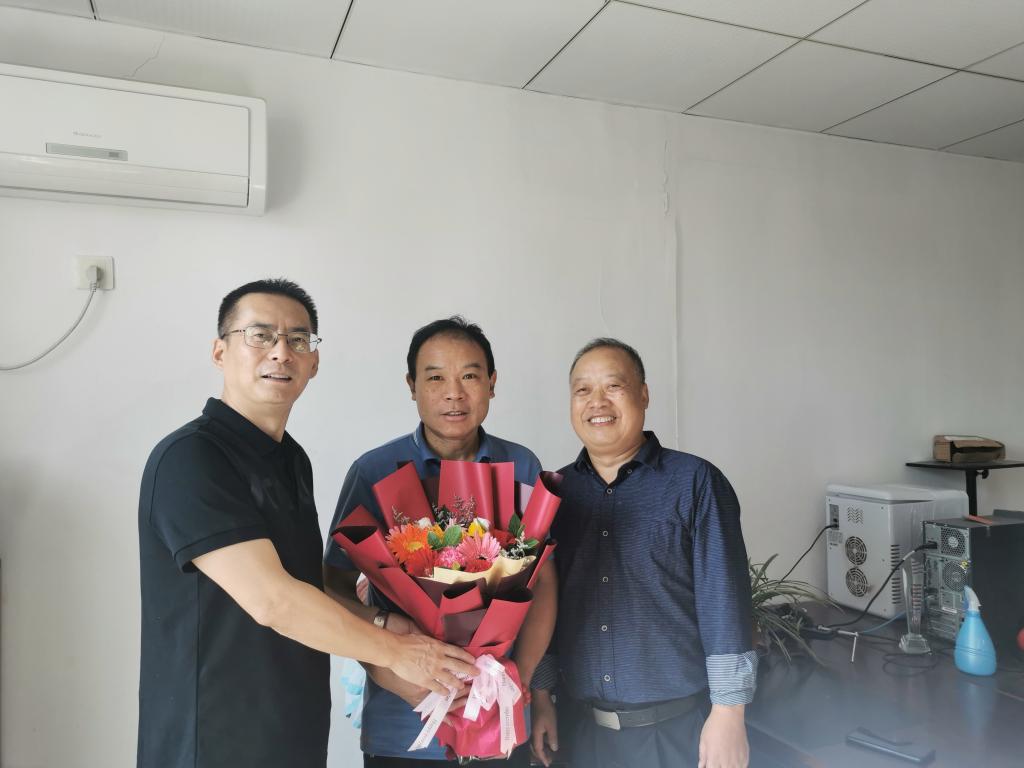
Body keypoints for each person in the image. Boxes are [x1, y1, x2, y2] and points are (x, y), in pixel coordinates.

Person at [137, 280, 476, 768]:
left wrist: (380, 621)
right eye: (260, 335)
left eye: (298, 340)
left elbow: (305, 583)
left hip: (292, 732)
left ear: (314, 361)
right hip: (213, 738)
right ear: (219, 351)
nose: (281, 352)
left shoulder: (291, 461)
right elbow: (273, 600)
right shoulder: (191, 458)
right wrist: (398, 654)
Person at [324, 316, 557, 767]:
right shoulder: (374, 471)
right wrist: (392, 667)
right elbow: (332, 586)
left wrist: (517, 678)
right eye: (435, 378)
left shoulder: (522, 464)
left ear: (492, 383)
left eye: (469, 376)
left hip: (502, 718)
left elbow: (542, 580)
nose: (454, 393)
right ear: (411, 386)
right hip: (404, 724)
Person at [531, 338, 756, 768]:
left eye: (613, 386)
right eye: (582, 390)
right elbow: (544, 605)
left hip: (673, 734)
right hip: (579, 732)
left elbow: (724, 601)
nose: (597, 402)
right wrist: (541, 697)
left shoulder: (696, 482)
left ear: (644, 394)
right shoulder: (555, 493)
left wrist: (729, 713)